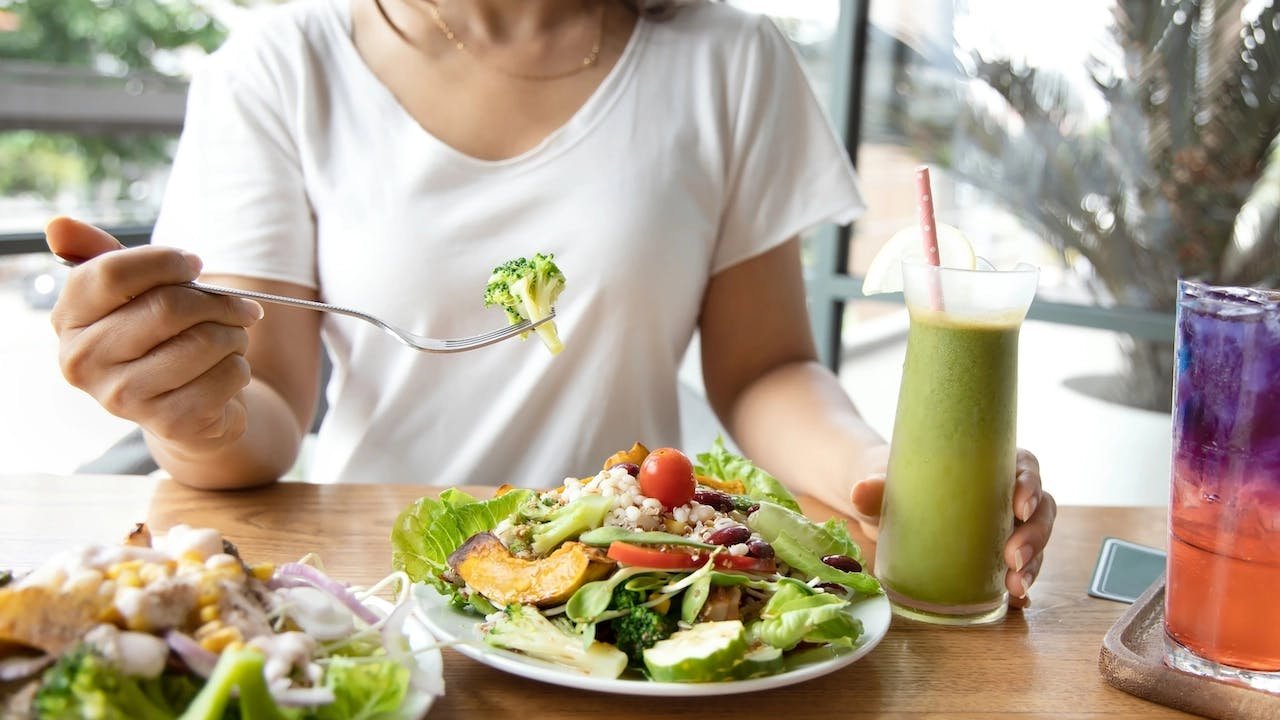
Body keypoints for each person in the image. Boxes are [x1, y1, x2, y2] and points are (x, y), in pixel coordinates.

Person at [45, 0, 1056, 605]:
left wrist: (881, 469)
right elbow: (259, 409)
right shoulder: (281, 64)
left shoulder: (728, 60)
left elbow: (762, 371)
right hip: (375, 591)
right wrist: (189, 404)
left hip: (634, 586)